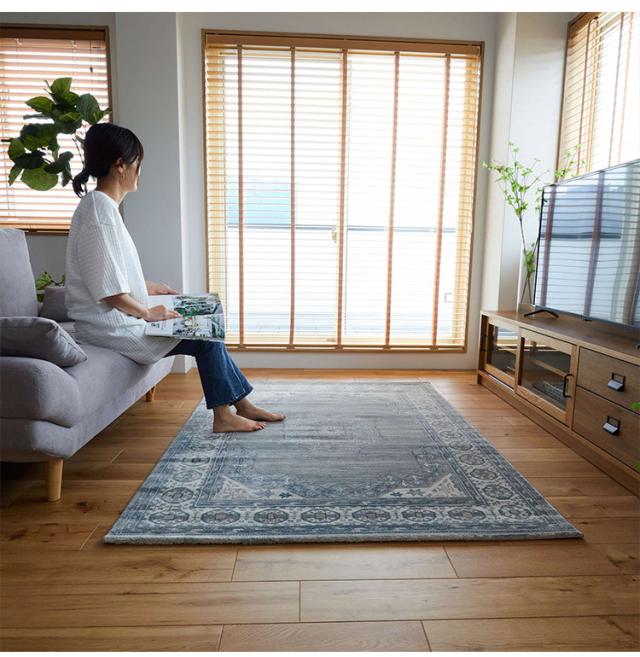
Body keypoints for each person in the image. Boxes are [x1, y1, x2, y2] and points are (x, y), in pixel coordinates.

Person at [66, 122, 284, 433]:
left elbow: (107, 273)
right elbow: (109, 292)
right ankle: (223, 416)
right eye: (138, 163)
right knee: (205, 334)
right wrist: (148, 312)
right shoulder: (99, 212)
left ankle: (243, 403)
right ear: (120, 165)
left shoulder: (101, 208)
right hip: (112, 329)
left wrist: (148, 287)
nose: (140, 171)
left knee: (208, 314)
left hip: (120, 321)